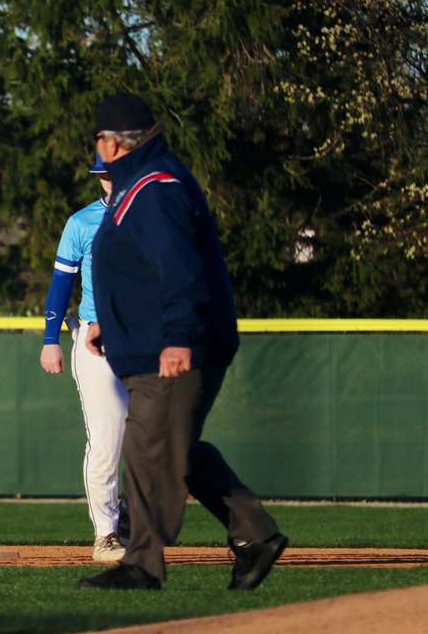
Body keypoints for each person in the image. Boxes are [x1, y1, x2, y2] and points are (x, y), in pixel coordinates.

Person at [75, 91, 287, 591]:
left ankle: (142, 565)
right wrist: (116, 319)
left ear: (112, 143)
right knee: (174, 449)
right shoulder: (140, 184)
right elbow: (142, 269)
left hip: (175, 348)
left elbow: (180, 267)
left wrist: (177, 337)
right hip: (155, 339)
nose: (99, 147)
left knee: (147, 447)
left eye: (100, 138)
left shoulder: (153, 187)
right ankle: (255, 533)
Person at [40, 154, 130, 563]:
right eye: (104, 176)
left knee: (156, 439)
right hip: (97, 343)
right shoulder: (82, 222)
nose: (110, 182)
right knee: (106, 440)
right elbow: (61, 284)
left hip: (147, 343)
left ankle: (126, 510)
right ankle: (107, 533)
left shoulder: (158, 219)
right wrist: (50, 339)